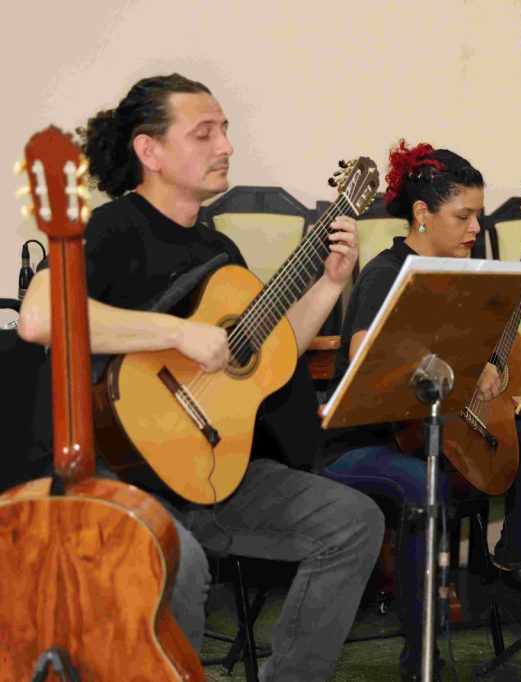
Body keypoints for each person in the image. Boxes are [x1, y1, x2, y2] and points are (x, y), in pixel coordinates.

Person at [17, 73, 385, 681]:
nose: (226, 146)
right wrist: (176, 333)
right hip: (118, 474)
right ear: (150, 151)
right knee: (178, 562)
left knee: (352, 521)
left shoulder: (219, 252)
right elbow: (39, 317)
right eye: (204, 133)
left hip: (209, 471)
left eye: (226, 131)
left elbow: (267, 356)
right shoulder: (110, 228)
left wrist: (329, 284)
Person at [319, 140, 521, 680]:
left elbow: (485, 339)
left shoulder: (464, 270)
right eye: (463, 216)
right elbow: (374, 364)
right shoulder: (386, 273)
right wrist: (463, 372)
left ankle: (512, 559)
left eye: (478, 215)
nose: (475, 227)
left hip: (437, 431)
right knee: (425, 484)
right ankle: (423, 662)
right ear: (422, 213)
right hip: (365, 443)